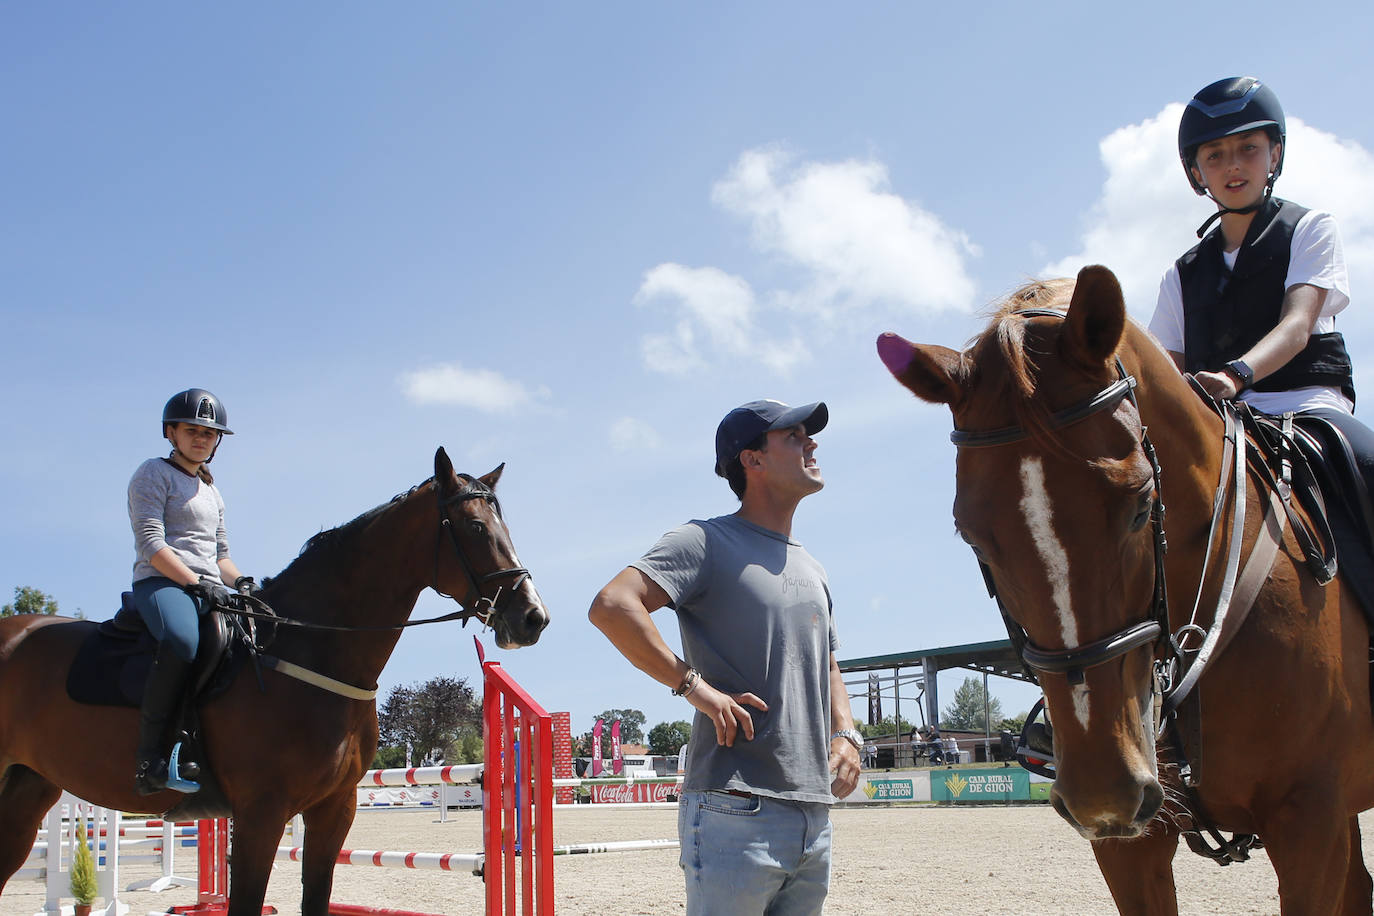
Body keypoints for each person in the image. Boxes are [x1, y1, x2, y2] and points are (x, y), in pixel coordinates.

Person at [588, 399, 860, 916]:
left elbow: (827, 663)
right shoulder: (705, 541)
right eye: (794, 435)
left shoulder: (814, 566)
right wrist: (695, 688)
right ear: (751, 460)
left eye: (809, 434)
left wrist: (845, 733)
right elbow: (612, 605)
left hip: (814, 813)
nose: (812, 442)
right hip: (734, 804)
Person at [1149, 77, 1374, 492]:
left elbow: (1296, 327)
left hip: (1307, 409)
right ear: (1196, 172)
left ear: (1275, 155)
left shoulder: (1310, 228)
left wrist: (1235, 376)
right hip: (1218, 424)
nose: (1232, 164)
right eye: (1215, 155)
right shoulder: (1179, 275)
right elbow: (1163, 371)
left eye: (1248, 148)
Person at [128, 388, 251, 795]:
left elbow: (222, 557)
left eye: (210, 433)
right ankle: (149, 758)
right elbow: (151, 544)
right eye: (192, 430)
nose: (202, 439)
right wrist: (196, 584)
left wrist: (243, 583)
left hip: (209, 588)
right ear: (171, 433)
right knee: (182, 639)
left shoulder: (213, 492)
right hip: (161, 582)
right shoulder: (153, 473)